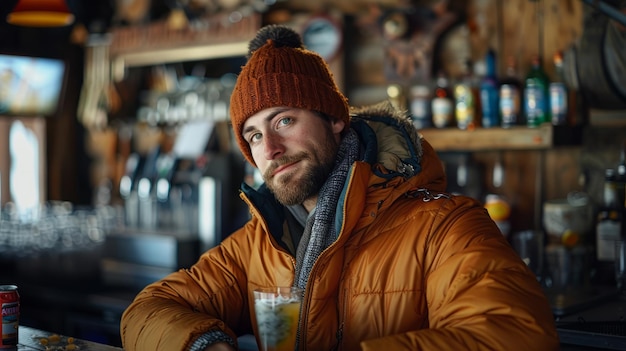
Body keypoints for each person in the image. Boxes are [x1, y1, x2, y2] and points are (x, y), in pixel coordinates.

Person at [120, 24, 559, 351]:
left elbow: (517, 335)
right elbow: (146, 311)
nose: (269, 149)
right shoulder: (257, 243)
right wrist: (207, 346)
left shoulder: (444, 226)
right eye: (253, 135)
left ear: (334, 119)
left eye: (284, 121)